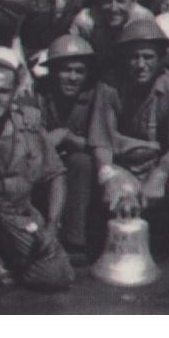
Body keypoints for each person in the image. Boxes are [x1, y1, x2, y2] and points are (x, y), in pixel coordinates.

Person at [0, 47, 74, 290]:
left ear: (14, 92)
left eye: (3, 91)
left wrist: (53, 225)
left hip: (20, 215)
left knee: (56, 276)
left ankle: (9, 259)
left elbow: (56, 174)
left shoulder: (29, 126)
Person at [88, 19, 169, 256]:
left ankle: (167, 236)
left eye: (148, 57)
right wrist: (107, 175)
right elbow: (101, 141)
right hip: (125, 165)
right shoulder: (108, 87)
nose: (140, 64)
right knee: (119, 193)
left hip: (163, 165)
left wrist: (159, 175)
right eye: (134, 57)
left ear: (161, 58)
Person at [34, 35, 101, 255]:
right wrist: (47, 140)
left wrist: (68, 137)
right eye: (65, 70)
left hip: (78, 170)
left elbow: (100, 142)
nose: (72, 77)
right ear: (53, 71)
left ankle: (75, 240)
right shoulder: (38, 93)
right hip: (40, 164)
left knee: (81, 162)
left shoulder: (97, 95)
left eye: (79, 71)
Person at [69, 0, 155, 68]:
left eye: (120, 1)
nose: (114, 9)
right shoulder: (85, 21)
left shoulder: (143, 19)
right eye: (107, 1)